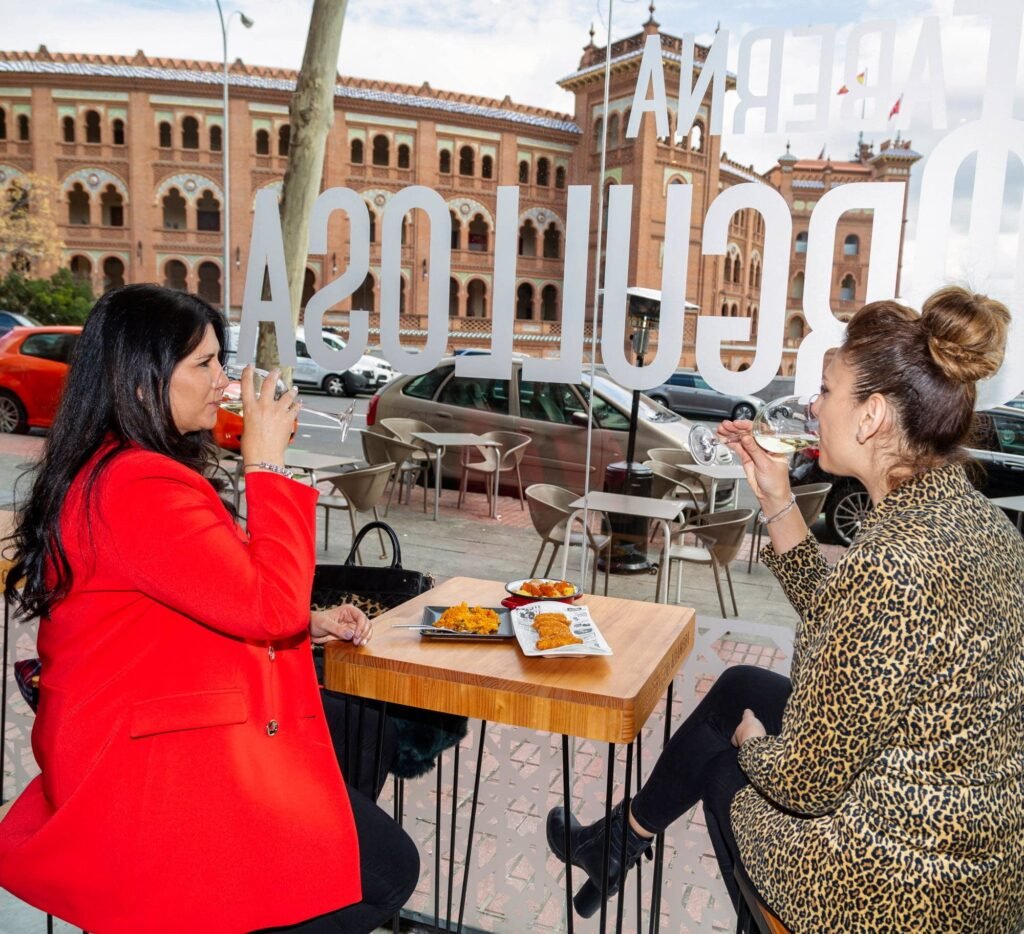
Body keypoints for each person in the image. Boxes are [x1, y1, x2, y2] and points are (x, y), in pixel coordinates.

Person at [547, 286, 1024, 932]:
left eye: (827, 390)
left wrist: (752, 744)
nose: (812, 405)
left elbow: (807, 782)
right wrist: (775, 498)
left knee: (727, 771)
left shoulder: (893, 560)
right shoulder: (974, 520)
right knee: (742, 684)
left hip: (904, 889)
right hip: (983, 862)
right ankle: (614, 843)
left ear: (871, 416)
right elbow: (852, 628)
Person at [0, 285, 419, 933]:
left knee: (367, 769)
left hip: (167, 730)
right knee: (385, 867)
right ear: (141, 382)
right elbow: (266, 604)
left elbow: (188, 593)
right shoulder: (138, 484)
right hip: (156, 768)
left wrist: (307, 621)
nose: (223, 380)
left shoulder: (121, 469)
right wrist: (269, 464)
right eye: (204, 364)